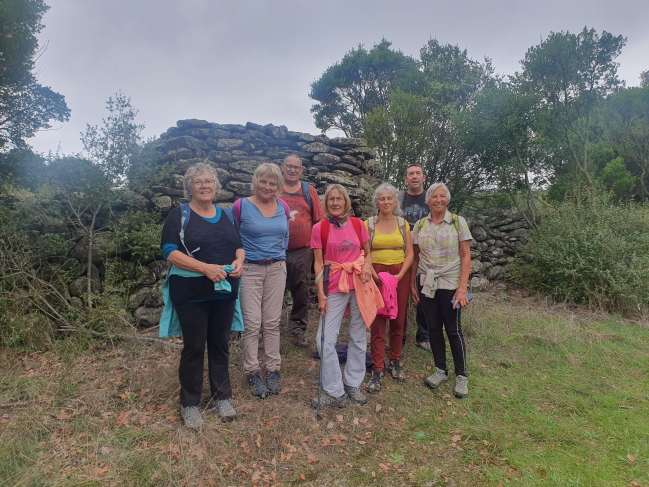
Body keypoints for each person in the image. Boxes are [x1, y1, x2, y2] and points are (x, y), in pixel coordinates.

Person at [160, 162, 244, 428]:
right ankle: (190, 404)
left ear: (216, 186)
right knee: (194, 347)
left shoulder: (227, 215)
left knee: (220, 344)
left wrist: (240, 262)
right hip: (191, 291)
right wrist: (205, 268)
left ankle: (222, 398)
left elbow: (239, 246)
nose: (204, 186)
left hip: (225, 290)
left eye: (208, 181)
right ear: (190, 187)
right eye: (198, 182)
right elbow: (169, 252)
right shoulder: (179, 215)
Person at [310, 184, 382, 410]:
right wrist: (321, 294)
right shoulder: (319, 228)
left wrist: (368, 266)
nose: (335, 203)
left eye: (339, 199)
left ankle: (353, 383)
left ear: (346, 202)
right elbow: (318, 263)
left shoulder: (357, 224)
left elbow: (368, 253)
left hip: (359, 283)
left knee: (359, 336)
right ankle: (335, 391)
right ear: (326, 203)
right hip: (334, 286)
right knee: (325, 340)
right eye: (331, 199)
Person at [410, 183, 473, 398]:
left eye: (442, 196)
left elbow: (466, 256)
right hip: (427, 283)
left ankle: (461, 376)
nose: (438, 199)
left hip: (450, 284)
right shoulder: (419, 225)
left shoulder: (457, 222)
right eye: (434, 196)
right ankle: (440, 370)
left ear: (448, 199)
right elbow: (415, 258)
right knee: (434, 328)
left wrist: (463, 288)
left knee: (453, 330)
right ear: (428, 201)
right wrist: (412, 284)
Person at [237, 163, 290, 399]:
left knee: (271, 322)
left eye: (272, 183)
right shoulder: (241, 206)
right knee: (251, 323)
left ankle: (273, 370)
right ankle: (252, 372)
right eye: (263, 181)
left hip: (277, 267)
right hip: (250, 269)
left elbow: (285, 236)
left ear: (278, 186)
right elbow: (233, 238)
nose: (267, 186)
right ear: (255, 181)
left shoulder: (284, 206)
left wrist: (279, 259)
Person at [364, 183, 413, 394]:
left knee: (398, 319)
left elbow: (410, 253)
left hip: (399, 275)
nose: (385, 202)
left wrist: (400, 275)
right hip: (376, 276)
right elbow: (366, 254)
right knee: (377, 322)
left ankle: (395, 361)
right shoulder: (368, 224)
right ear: (376, 202)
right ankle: (377, 367)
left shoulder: (403, 224)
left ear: (395, 201)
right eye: (381, 199)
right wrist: (376, 277)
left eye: (389, 199)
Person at [280, 154, 326, 348]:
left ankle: (297, 330)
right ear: (282, 167)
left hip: (302, 250)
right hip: (276, 249)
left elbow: (320, 221)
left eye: (296, 167)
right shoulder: (274, 188)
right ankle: (267, 330)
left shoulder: (309, 191)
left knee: (301, 290)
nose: (292, 170)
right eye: (289, 166)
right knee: (274, 291)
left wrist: (317, 249)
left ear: (302, 170)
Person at [398, 164, 431, 351]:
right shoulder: (399, 199)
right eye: (411, 174)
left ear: (424, 178)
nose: (415, 177)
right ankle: (399, 334)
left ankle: (423, 335)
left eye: (418, 173)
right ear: (406, 179)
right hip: (401, 252)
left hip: (425, 253)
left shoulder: (430, 198)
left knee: (424, 293)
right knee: (401, 294)